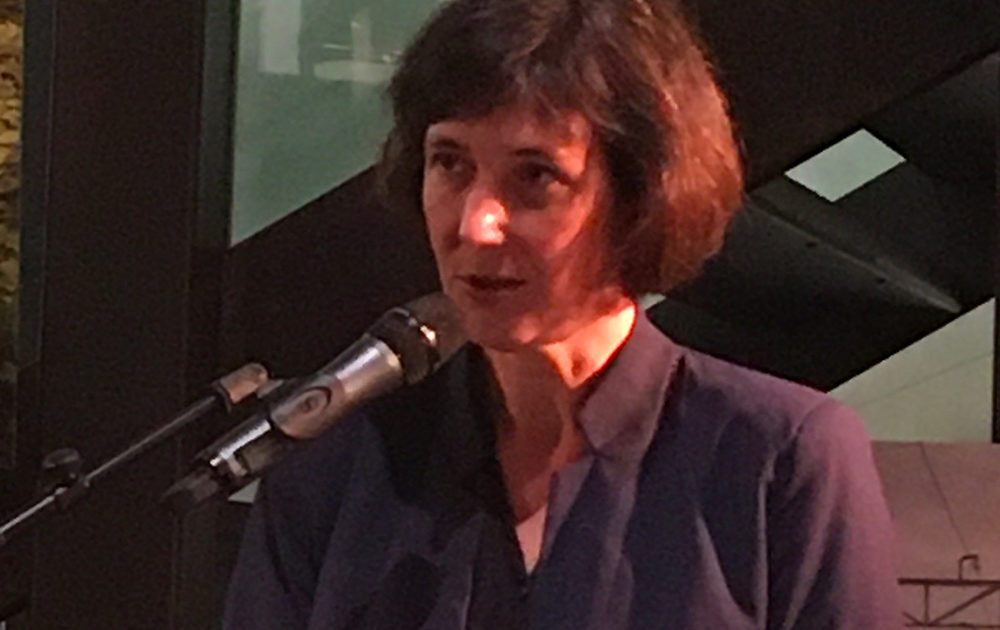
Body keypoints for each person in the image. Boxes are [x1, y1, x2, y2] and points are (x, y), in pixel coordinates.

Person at [224, 0, 902, 628]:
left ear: (640, 197)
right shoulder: (336, 465)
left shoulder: (777, 458)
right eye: (450, 163)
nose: (477, 224)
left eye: (535, 176)